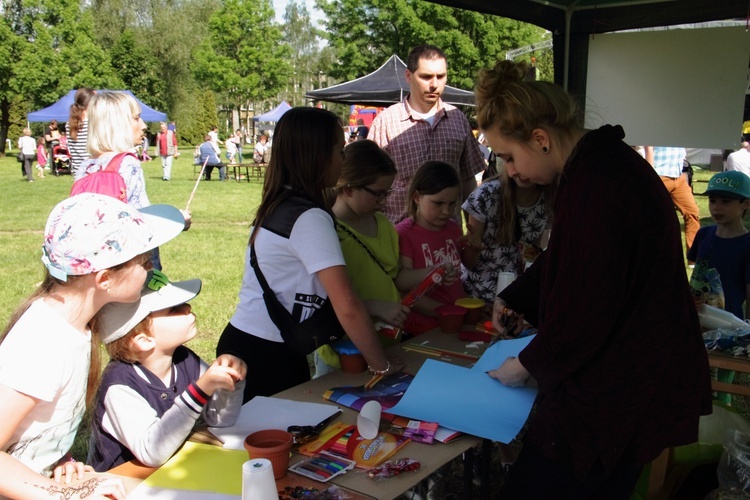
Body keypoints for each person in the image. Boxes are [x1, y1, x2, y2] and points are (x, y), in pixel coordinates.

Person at [476, 60, 711, 497]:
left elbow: (586, 305)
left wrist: (526, 364)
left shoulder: (600, 184)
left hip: (620, 390)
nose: (508, 170)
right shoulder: (595, 169)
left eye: (509, 156)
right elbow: (571, 257)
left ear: (541, 139)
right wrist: (517, 298)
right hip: (626, 381)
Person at [0, 192, 185, 499]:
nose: (151, 267)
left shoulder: (77, 327)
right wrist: (66, 494)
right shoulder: (43, 342)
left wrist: (60, 461)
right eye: (143, 261)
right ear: (104, 279)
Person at [216, 107, 402, 403]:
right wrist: (383, 366)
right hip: (268, 353)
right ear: (316, 155)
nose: (344, 160)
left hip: (256, 344)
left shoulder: (283, 203)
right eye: (339, 151)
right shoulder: (309, 217)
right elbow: (347, 306)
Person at [88, 270, 246, 471]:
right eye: (174, 309)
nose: (188, 307)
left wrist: (231, 383)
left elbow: (220, 420)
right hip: (126, 484)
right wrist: (200, 391)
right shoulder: (119, 385)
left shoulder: (185, 359)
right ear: (144, 340)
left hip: (175, 471)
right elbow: (152, 452)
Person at [314, 140, 426, 376]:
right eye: (377, 194)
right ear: (348, 188)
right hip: (342, 357)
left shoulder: (384, 225)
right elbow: (320, 305)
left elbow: (395, 277)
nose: (384, 201)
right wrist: (374, 307)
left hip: (388, 346)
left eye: (388, 192)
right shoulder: (326, 231)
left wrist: (432, 273)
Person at [368, 44, 485, 224]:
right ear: (409, 76)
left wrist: (472, 228)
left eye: (441, 76)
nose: (434, 84)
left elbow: (468, 180)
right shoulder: (385, 122)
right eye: (426, 76)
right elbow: (370, 184)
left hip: (446, 236)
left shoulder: (458, 119)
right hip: (398, 236)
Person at [75, 91, 192, 270]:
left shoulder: (86, 166)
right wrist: (178, 220)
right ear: (118, 124)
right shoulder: (127, 163)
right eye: (137, 118)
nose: (143, 125)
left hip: (99, 260)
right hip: (133, 262)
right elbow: (142, 222)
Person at [461, 166, 553, 304]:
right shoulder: (487, 194)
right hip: (478, 297)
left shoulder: (549, 199)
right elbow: (469, 263)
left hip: (517, 298)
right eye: (511, 158)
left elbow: (534, 254)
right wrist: (472, 248)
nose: (522, 168)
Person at [396, 161, 464, 329]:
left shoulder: (453, 228)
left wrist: (473, 249)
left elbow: (460, 271)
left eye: (452, 203)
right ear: (417, 197)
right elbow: (403, 284)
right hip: (422, 325)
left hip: (455, 318)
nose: (446, 211)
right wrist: (436, 270)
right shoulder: (404, 233)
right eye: (438, 203)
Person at [645, 146, 700, 253]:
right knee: (651, 218)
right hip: (659, 176)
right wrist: (650, 175)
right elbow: (649, 147)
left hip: (678, 177)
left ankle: (693, 258)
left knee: (692, 212)